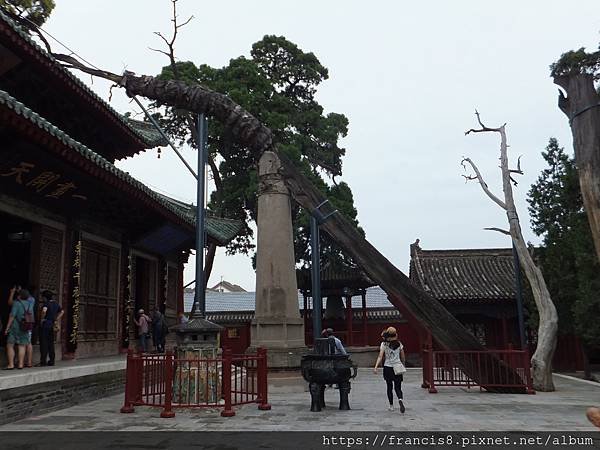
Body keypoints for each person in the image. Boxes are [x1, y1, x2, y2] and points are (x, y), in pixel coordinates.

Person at [373, 326, 406, 413]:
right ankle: (400, 399)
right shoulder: (399, 344)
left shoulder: (384, 344)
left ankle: (391, 405)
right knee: (398, 387)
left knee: (389, 387)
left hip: (387, 367)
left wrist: (376, 367)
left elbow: (380, 356)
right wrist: (403, 364)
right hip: (397, 367)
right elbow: (403, 356)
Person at [4, 288, 33, 369]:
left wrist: (7, 327)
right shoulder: (30, 303)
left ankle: (11, 364)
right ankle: (21, 364)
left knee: (10, 345)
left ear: (19, 296)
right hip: (25, 327)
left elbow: (12, 315)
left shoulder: (16, 303)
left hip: (15, 327)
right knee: (22, 346)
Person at [38, 290, 63, 366]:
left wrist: (42, 319)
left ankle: (43, 361)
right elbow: (62, 312)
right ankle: (52, 360)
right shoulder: (56, 304)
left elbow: (44, 311)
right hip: (51, 324)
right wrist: (56, 318)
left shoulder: (46, 304)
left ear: (45, 297)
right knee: (51, 343)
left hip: (45, 324)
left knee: (44, 343)